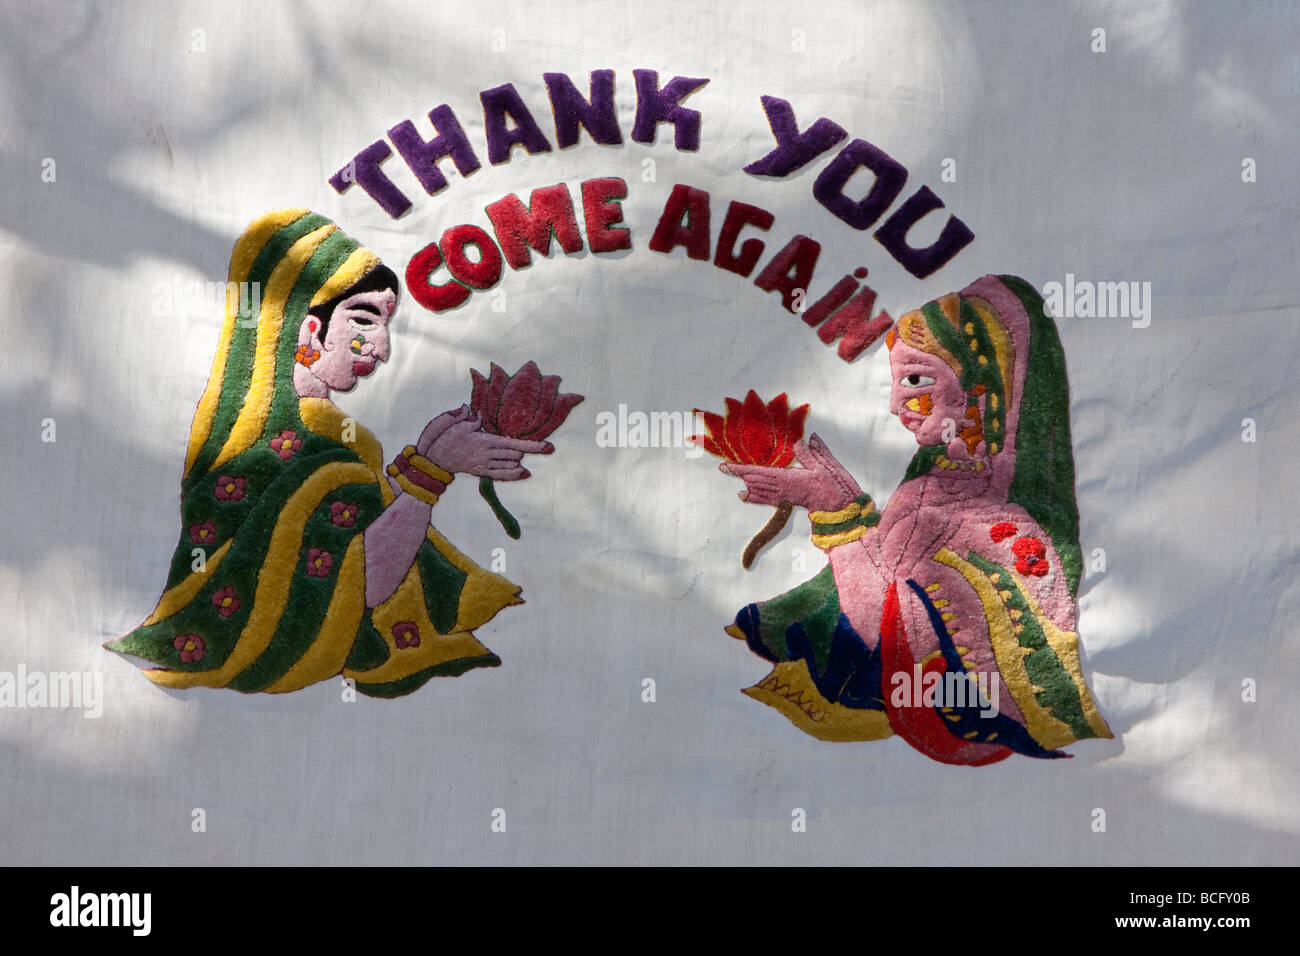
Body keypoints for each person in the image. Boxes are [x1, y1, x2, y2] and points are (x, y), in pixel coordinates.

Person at [107, 208, 550, 697]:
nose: (381, 349)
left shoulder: (340, 437)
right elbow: (355, 587)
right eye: (363, 319)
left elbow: (360, 523)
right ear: (308, 327)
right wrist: (433, 473)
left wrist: (424, 457)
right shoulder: (290, 446)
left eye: (386, 325)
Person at [719, 275, 1112, 764]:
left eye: (916, 381)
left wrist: (837, 513)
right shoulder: (934, 487)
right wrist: (841, 507)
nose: (895, 404)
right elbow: (884, 597)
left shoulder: (1000, 529)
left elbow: (884, 637)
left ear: (982, 386)